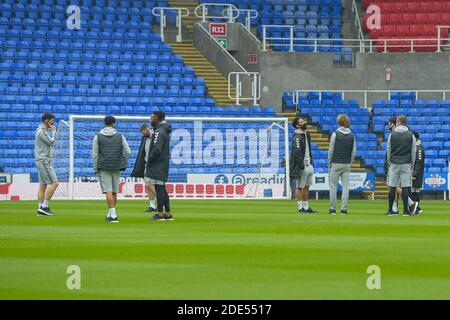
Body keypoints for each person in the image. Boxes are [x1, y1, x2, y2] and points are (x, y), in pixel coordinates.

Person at [92, 116, 131, 223]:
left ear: (104, 123)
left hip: (103, 167)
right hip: (116, 166)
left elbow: (95, 155)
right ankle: (111, 213)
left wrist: (95, 168)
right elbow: (128, 152)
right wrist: (123, 161)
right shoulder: (120, 136)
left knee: (108, 191)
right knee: (114, 191)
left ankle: (113, 215)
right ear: (114, 123)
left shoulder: (98, 136)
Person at [386, 115, 419, 216]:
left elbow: (388, 149)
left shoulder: (392, 134)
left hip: (394, 163)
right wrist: (412, 164)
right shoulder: (411, 135)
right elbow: (414, 151)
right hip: (406, 163)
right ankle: (406, 211)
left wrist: (389, 161)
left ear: (398, 122)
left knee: (392, 186)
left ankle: (391, 210)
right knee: (405, 187)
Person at [146, 111, 173, 221]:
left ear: (157, 118)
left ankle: (160, 214)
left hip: (158, 163)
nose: (150, 120)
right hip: (163, 163)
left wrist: (150, 160)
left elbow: (157, 148)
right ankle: (168, 213)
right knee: (162, 188)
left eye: (152, 118)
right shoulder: (164, 130)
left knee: (159, 188)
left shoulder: (159, 131)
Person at [327, 114, 356, 215]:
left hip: (336, 163)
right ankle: (343, 209)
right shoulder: (352, 135)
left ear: (339, 122)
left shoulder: (335, 134)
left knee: (333, 186)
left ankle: (332, 209)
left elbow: (331, 150)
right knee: (345, 187)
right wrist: (350, 162)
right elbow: (353, 152)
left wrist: (329, 162)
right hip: (346, 164)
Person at [290, 117, 317, 214]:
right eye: (301, 122)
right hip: (302, 165)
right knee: (300, 187)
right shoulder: (297, 136)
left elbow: (308, 149)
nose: (303, 122)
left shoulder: (306, 133)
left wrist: (311, 161)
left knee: (307, 186)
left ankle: (306, 207)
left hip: (309, 163)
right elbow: (296, 151)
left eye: (303, 121)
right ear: (297, 125)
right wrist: (301, 165)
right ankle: (300, 208)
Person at [35, 113, 59, 216]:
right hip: (44, 160)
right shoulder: (41, 131)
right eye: (51, 121)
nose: (53, 123)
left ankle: (40, 208)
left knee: (42, 185)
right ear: (46, 120)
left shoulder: (42, 131)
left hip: (41, 160)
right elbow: (51, 142)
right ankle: (44, 207)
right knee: (55, 183)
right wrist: (54, 132)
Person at [131, 123, 157, 213]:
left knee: (151, 185)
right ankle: (152, 206)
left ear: (147, 129)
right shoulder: (145, 138)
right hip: (146, 164)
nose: (144, 134)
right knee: (148, 185)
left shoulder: (156, 137)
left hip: (154, 165)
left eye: (144, 132)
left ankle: (162, 203)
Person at [411, 131, 425, 214]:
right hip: (415, 172)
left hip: (416, 173)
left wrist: (414, 174)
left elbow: (419, 162)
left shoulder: (419, 148)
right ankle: (416, 208)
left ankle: (416, 208)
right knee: (414, 190)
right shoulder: (416, 146)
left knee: (414, 190)